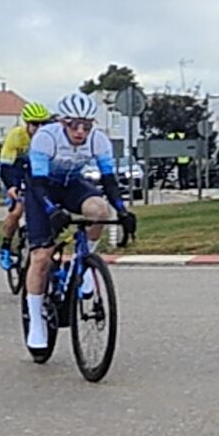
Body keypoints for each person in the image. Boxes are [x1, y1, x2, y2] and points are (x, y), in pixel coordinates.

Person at [22, 92, 136, 352]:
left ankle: (84, 263)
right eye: (75, 125)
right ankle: (37, 321)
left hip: (72, 184)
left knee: (99, 209)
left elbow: (108, 181)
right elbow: (38, 183)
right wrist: (52, 210)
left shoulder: (98, 140)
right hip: (43, 188)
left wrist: (123, 211)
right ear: (62, 123)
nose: (81, 131)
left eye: (87, 125)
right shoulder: (45, 137)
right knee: (41, 256)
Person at [0, 102, 50, 269]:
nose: (40, 127)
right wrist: (12, 186)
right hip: (16, 172)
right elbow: (6, 166)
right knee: (17, 210)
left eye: (44, 124)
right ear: (26, 123)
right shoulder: (16, 136)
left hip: (36, 173)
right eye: (35, 124)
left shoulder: (49, 137)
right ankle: (5, 247)